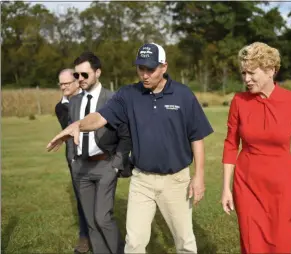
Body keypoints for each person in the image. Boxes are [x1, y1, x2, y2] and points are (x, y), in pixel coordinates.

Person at [46, 43, 214, 254]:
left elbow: (196, 137)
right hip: (141, 180)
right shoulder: (128, 94)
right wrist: (76, 125)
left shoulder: (183, 94)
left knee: (184, 242)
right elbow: (99, 117)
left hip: (176, 180)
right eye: (140, 68)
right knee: (133, 244)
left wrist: (198, 177)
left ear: (164, 67)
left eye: (150, 69)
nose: (144, 75)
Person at [221, 42, 291, 254]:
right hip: (246, 186)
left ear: (271, 70)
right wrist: (226, 188)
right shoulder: (238, 101)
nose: (246, 79)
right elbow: (230, 145)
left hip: (282, 188)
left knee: (280, 245)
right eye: (243, 73)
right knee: (251, 245)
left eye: (251, 73)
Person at [66, 51, 132, 254]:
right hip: (81, 168)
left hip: (105, 165)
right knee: (91, 221)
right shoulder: (75, 101)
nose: (80, 79)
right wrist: (72, 160)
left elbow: (126, 136)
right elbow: (71, 130)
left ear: (98, 73)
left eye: (85, 75)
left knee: (103, 218)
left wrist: (116, 165)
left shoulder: (113, 99)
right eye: (76, 75)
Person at [55, 69, 89, 254]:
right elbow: (71, 127)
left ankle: (102, 233)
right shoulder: (61, 107)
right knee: (81, 197)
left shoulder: (91, 98)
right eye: (61, 84)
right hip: (75, 157)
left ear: (77, 82)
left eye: (67, 83)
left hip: (97, 155)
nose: (63, 87)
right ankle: (84, 236)